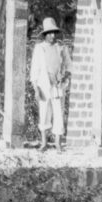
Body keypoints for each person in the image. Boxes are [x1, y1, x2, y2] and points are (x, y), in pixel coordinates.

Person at [29, 17, 71, 152]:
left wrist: (64, 76)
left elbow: (69, 66)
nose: (52, 36)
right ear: (45, 34)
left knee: (58, 112)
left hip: (57, 85)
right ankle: (44, 143)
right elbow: (34, 69)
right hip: (44, 85)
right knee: (44, 112)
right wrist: (36, 88)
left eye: (54, 32)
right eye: (50, 33)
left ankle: (58, 143)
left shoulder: (61, 48)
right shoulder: (39, 48)